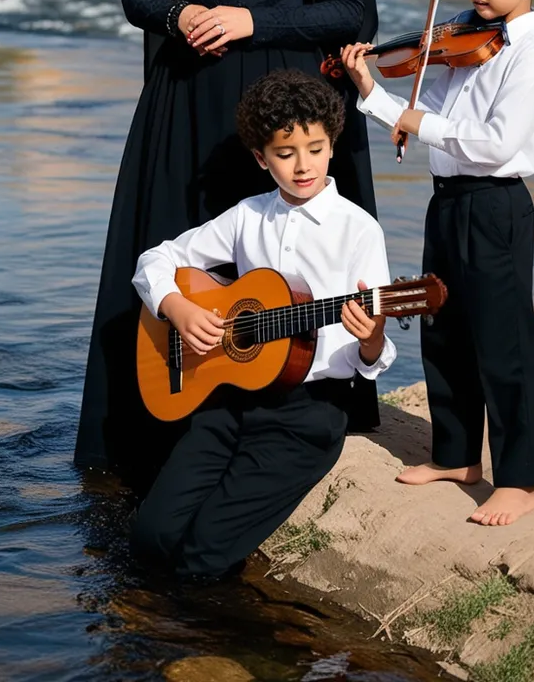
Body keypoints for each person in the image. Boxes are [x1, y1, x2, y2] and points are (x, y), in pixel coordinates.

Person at [75, 0, 379, 490]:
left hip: (281, 111)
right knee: (178, 255)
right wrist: (177, 16)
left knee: (278, 273)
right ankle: (156, 426)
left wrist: (252, 21)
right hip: (183, 106)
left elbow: (348, 11)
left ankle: (278, 409)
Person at [342, 0, 534, 527]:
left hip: (496, 206)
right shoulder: (464, 38)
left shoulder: (532, 55)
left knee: (504, 342)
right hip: (448, 204)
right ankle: (458, 455)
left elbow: (493, 141)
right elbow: (426, 100)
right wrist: (371, 91)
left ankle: (520, 479)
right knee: (442, 327)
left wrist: (415, 121)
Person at [130, 69, 396, 578]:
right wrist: (178, 309)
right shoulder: (246, 216)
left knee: (201, 557)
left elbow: (372, 358)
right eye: (285, 153)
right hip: (229, 400)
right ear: (261, 158)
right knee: (150, 538)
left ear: (332, 146)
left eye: (315, 149)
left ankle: (200, 652)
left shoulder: (358, 230)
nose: (303, 166)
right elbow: (156, 260)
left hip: (306, 419)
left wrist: (373, 338)